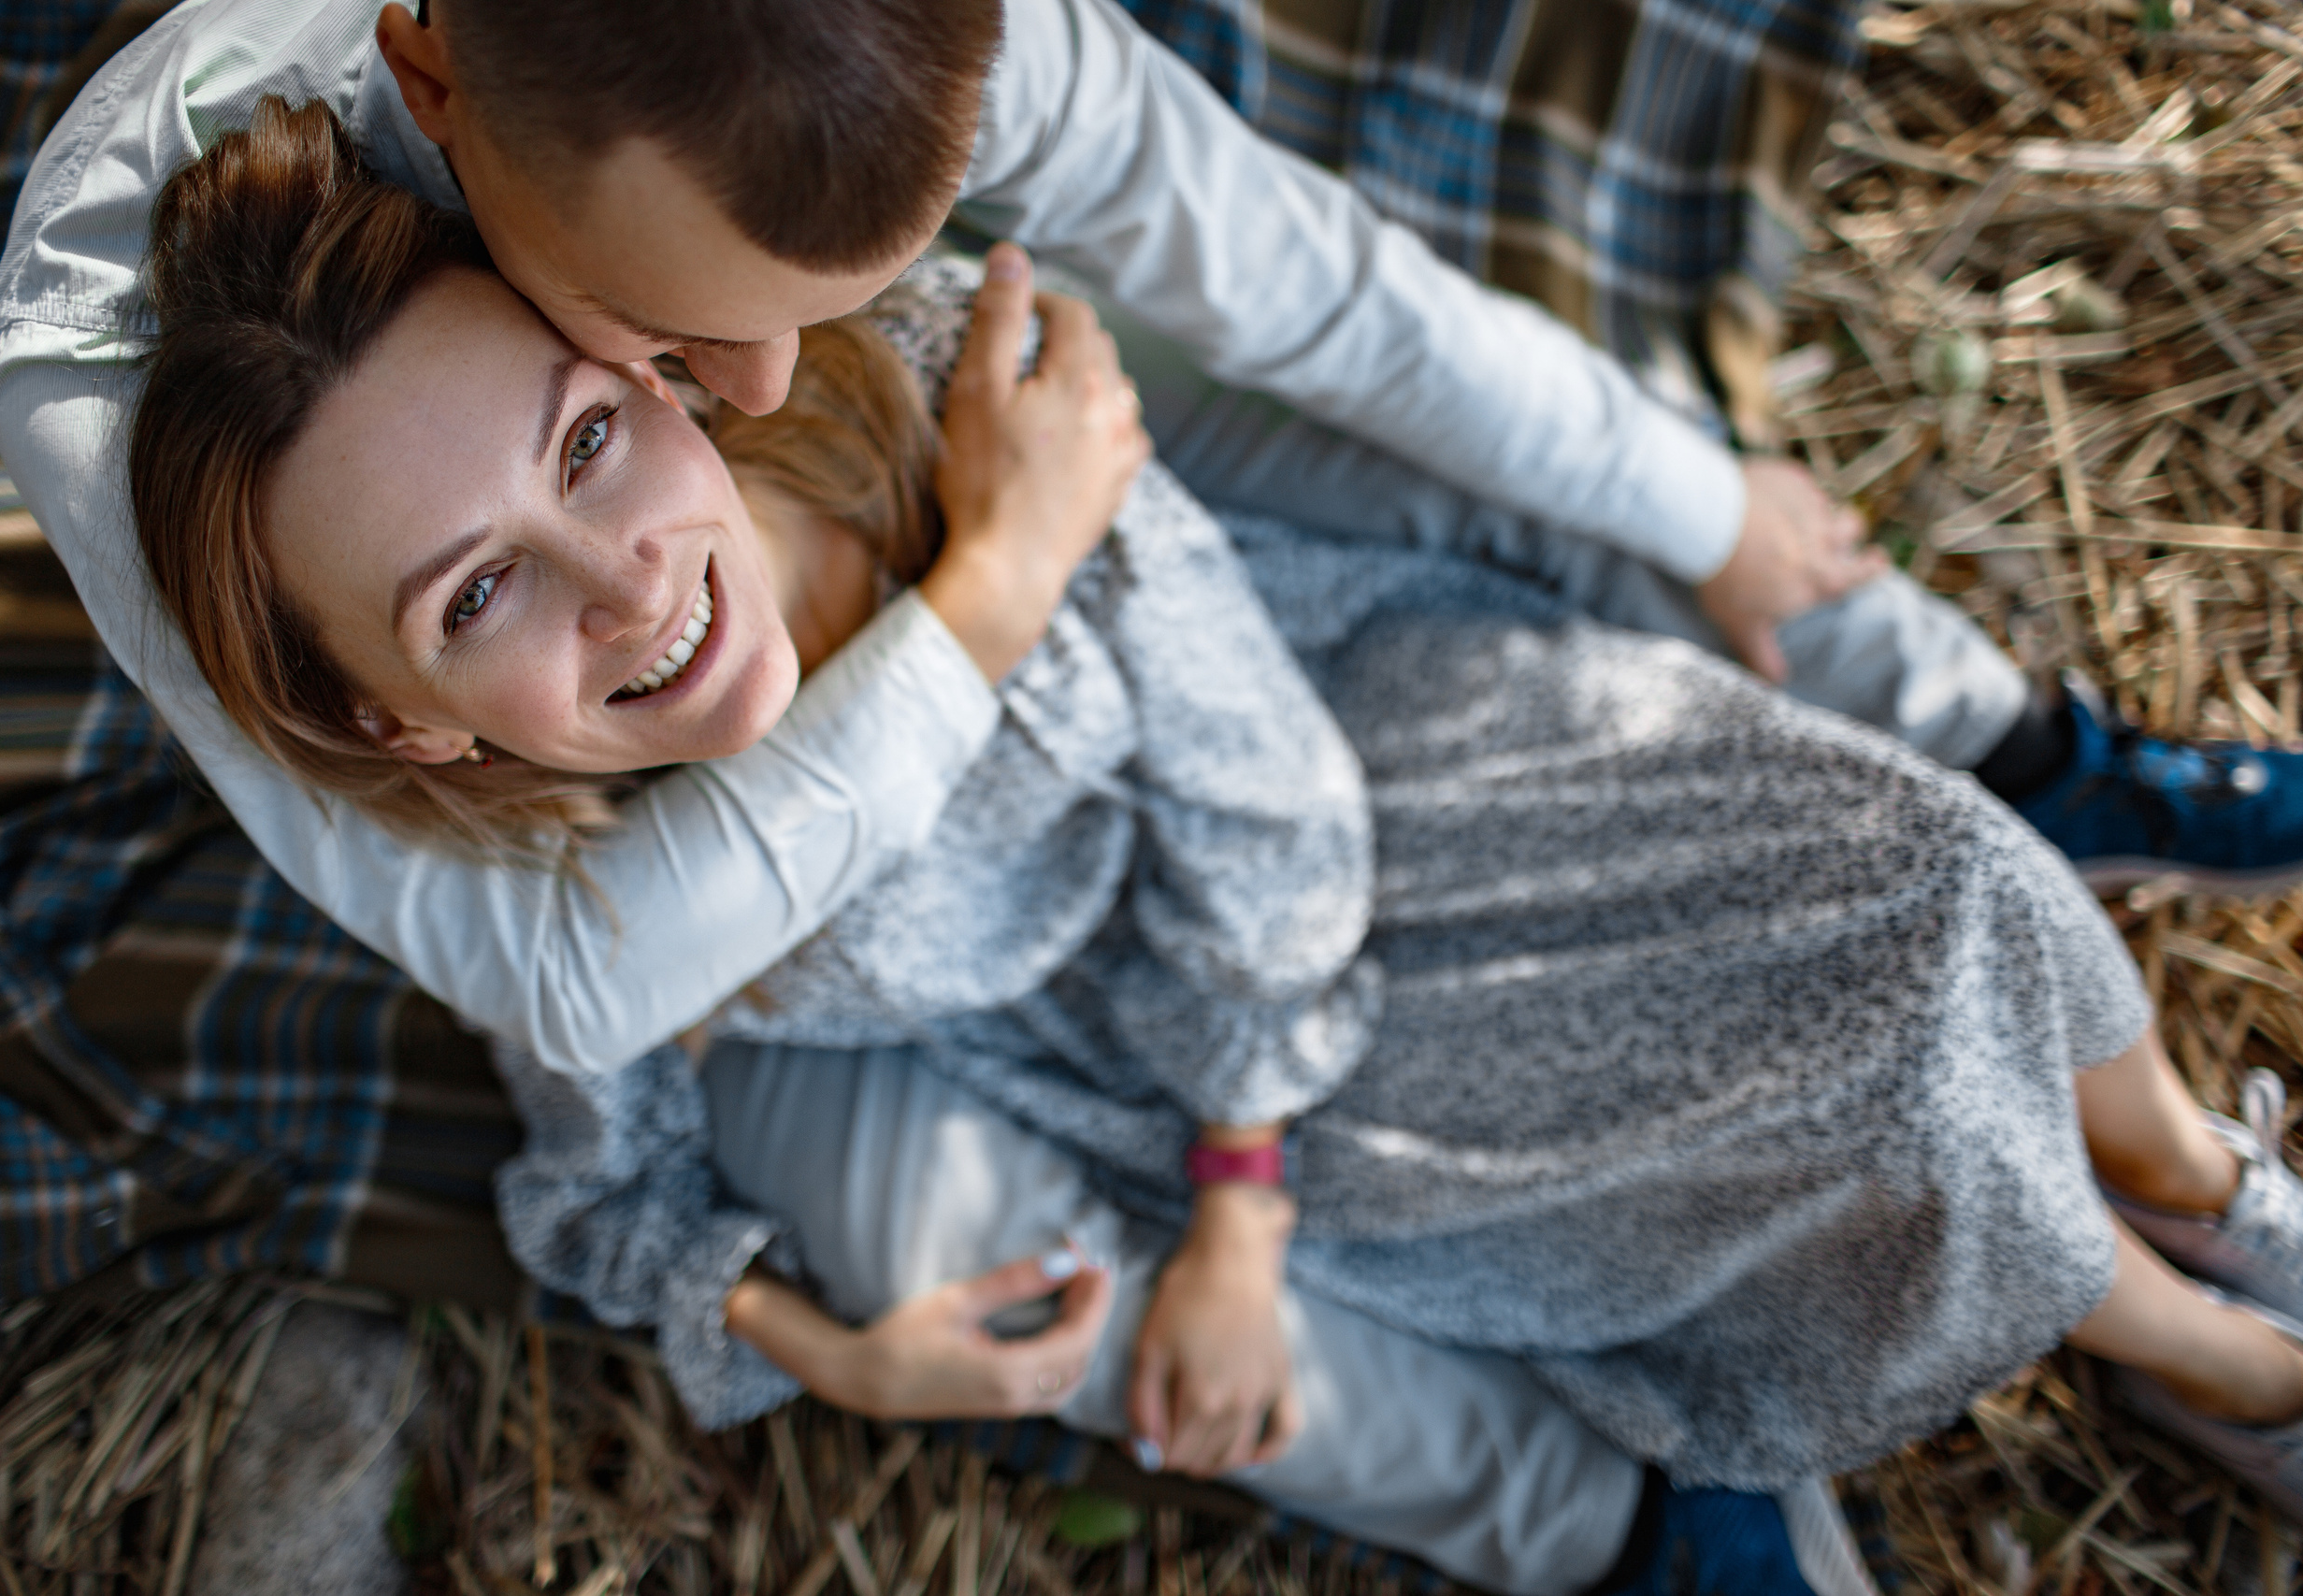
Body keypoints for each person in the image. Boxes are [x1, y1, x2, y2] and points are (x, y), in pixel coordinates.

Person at [126, 100, 2303, 1592]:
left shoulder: (894, 397)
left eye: (584, 439)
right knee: (1845, 1113)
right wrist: (833, 1345)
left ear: (646, 369)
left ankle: (2202, 1188)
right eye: (476, 594)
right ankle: (2211, 1355)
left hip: (1355, 754)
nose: (619, 584)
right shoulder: (558, 873)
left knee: (1933, 880)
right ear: (405, 712)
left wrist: (1244, 1194)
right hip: (1163, 1049)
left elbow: (1258, 776)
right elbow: (599, 1186)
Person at [0, 0, 2303, 1105]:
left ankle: (2010, 734)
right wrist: (996, 588)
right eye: (686, 328)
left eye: (809, 301)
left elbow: (1318, 289)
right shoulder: (115, 396)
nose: (770, 384)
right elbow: (576, 981)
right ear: (440, 76)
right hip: (487, 527)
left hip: (954, 393)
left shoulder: (963, 68)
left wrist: (1693, 502)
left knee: (1509, 459)